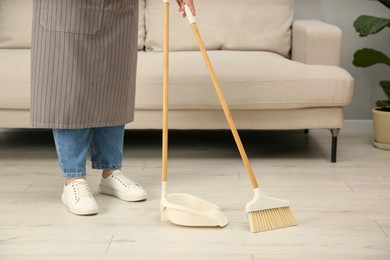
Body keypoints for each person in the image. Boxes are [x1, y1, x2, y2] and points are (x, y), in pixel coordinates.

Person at [30, 0, 196, 215]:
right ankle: (73, 179)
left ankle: (111, 171)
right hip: (67, 9)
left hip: (117, 8)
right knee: (69, 85)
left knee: (113, 82)